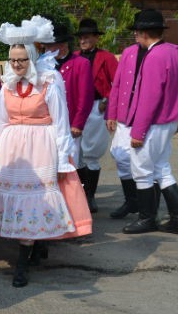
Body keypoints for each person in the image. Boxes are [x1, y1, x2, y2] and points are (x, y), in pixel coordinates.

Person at [0, 17, 91, 288]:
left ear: (32, 58)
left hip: (41, 143)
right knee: (15, 198)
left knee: (35, 199)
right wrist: (1, 152)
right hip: (14, 146)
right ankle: (33, 247)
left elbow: (60, 121)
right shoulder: (8, 84)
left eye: (22, 60)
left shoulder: (50, 80)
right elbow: (0, 121)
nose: (17, 65)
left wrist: (62, 158)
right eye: (13, 60)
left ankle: (23, 262)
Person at [107, 9, 178, 235]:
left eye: (136, 32)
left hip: (154, 123)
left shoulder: (153, 57)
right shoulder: (175, 52)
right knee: (161, 168)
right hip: (167, 121)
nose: (135, 36)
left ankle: (147, 219)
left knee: (143, 170)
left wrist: (138, 131)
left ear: (144, 33)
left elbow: (149, 98)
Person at [39, 20, 96, 212]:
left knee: (70, 164)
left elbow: (85, 97)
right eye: (45, 45)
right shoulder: (42, 65)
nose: (46, 49)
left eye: (50, 45)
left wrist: (78, 124)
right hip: (47, 126)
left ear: (62, 45)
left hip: (70, 125)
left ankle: (77, 204)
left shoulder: (80, 64)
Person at [73, 18, 119, 215]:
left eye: (87, 37)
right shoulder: (74, 57)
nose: (83, 40)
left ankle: (91, 196)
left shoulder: (106, 58)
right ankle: (81, 193)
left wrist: (107, 102)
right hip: (77, 107)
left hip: (96, 107)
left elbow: (117, 84)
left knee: (91, 153)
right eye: (81, 37)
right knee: (77, 153)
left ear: (96, 38)